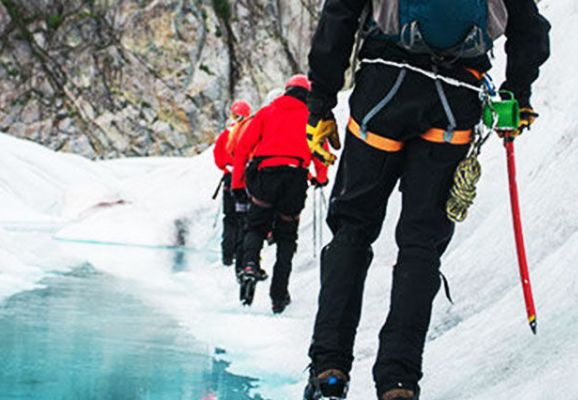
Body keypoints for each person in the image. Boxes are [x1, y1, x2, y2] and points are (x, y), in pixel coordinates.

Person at [302, 0, 551, 399]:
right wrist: (517, 94)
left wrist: (320, 104)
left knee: (352, 227)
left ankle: (329, 369)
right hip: (455, 101)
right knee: (421, 244)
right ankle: (398, 381)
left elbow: (339, 16)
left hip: (385, 90)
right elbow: (531, 30)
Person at [231, 75, 329, 313]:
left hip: (266, 176)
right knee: (286, 238)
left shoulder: (266, 112)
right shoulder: (312, 118)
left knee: (256, 227)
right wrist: (321, 177)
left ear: (287, 91)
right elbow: (321, 152)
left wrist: (237, 184)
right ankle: (279, 295)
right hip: (295, 178)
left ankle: (250, 266)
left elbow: (243, 148)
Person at [213, 99, 254, 266]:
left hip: (229, 178)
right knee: (243, 218)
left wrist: (226, 168)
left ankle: (227, 255)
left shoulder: (226, 134)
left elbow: (218, 158)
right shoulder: (249, 131)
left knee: (229, 217)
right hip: (244, 179)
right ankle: (241, 252)